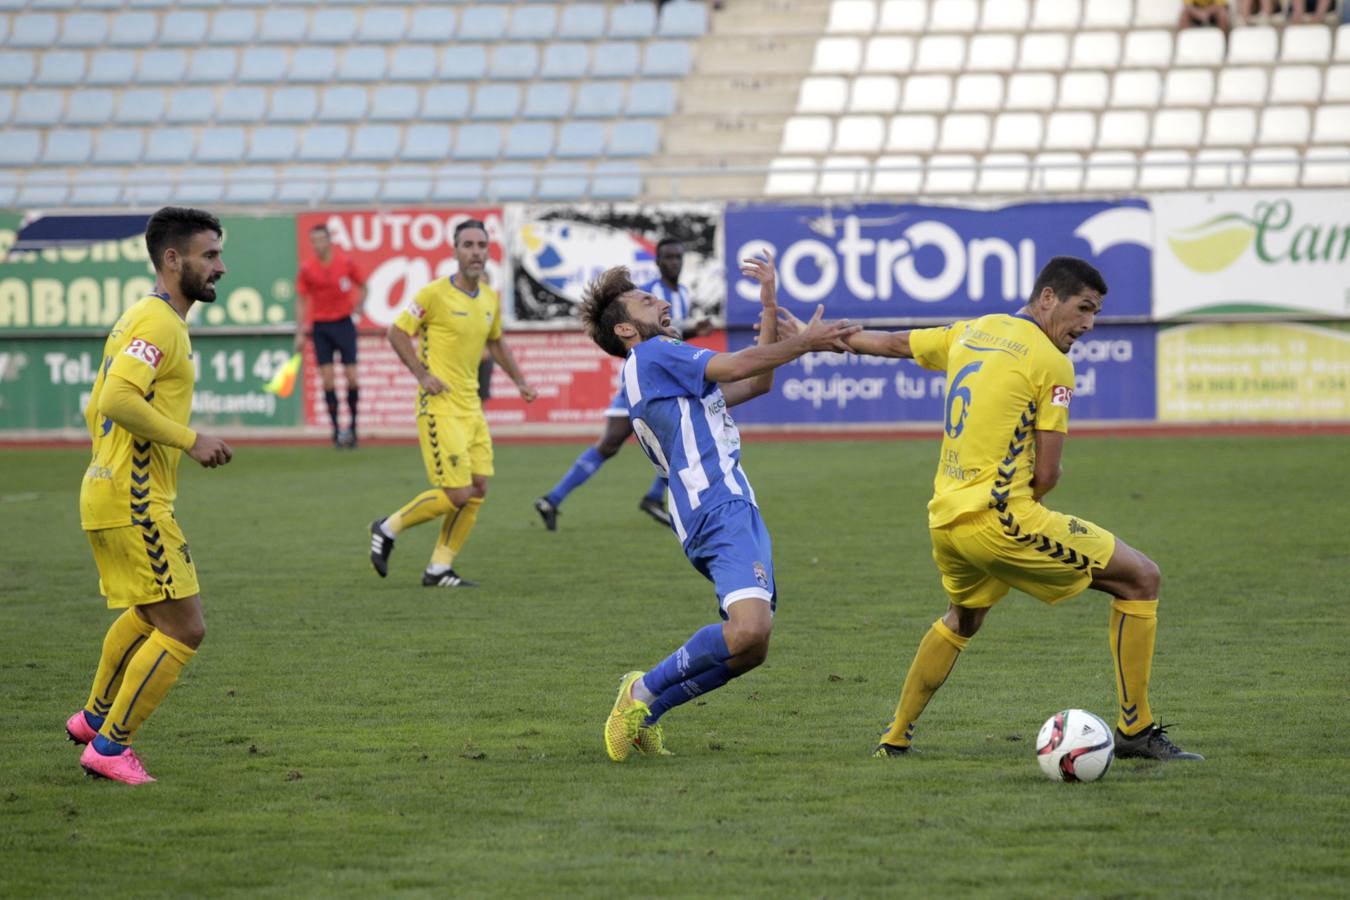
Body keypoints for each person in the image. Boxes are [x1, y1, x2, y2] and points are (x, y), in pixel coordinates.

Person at [838, 256, 1202, 763]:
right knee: (1141, 578)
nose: (1089, 325)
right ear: (1048, 297)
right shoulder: (1052, 362)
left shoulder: (974, 330)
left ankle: (895, 736)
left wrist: (825, 338)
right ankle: (1135, 729)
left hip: (945, 519)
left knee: (963, 617)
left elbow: (897, 344)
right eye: (1084, 308)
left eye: (1095, 313)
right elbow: (1048, 475)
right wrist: (1015, 524)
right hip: (1001, 520)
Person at [590, 253, 860, 761]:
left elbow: (755, 381)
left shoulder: (668, 376)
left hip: (732, 504)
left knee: (752, 647)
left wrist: (769, 303)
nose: (662, 301)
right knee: (749, 629)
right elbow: (737, 366)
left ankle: (648, 712)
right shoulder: (653, 355)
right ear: (626, 328)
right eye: (647, 300)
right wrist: (807, 340)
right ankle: (640, 692)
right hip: (713, 504)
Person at [66, 207, 235, 785]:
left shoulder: (142, 317)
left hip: (109, 496)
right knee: (185, 628)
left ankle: (93, 718)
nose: (220, 267)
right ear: (172, 259)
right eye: (209, 255)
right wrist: (191, 440)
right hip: (135, 504)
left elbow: (107, 402)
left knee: (147, 612)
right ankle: (112, 747)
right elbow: (115, 399)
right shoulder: (160, 322)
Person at [368, 219, 537, 587]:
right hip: (440, 406)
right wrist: (422, 375)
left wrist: (520, 381)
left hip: (471, 407)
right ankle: (388, 526)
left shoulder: (490, 298)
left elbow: (496, 342)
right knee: (456, 492)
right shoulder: (433, 294)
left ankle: (439, 568)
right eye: (468, 245)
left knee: (477, 488)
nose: (476, 252)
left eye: (481, 245)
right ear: (455, 250)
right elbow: (396, 332)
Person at [534, 237, 712, 532]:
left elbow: (669, 338)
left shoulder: (682, 294)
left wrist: (691, 330)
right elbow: (651, 337)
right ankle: (554, 498)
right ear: (658, 261)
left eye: (679, 257)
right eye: (668, 257)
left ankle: (653, 496)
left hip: (664, 376)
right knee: (617, 442)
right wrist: (688, 330)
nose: (674, 263)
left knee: (676, 433)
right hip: (646, 380)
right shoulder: (649, 294)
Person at [296, 223, 367, 448]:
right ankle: (337, 431)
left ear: (329, 241)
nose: (317, 245)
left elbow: (364, 285)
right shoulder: (307, 269)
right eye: (314, 241)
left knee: (352, 376)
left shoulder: (345, 263)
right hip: (321, 327)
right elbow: (300, 299)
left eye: (321, 240)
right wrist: (299, 332)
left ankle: (353, 428)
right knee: (327, 379)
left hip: (344, 324)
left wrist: (360, 305)